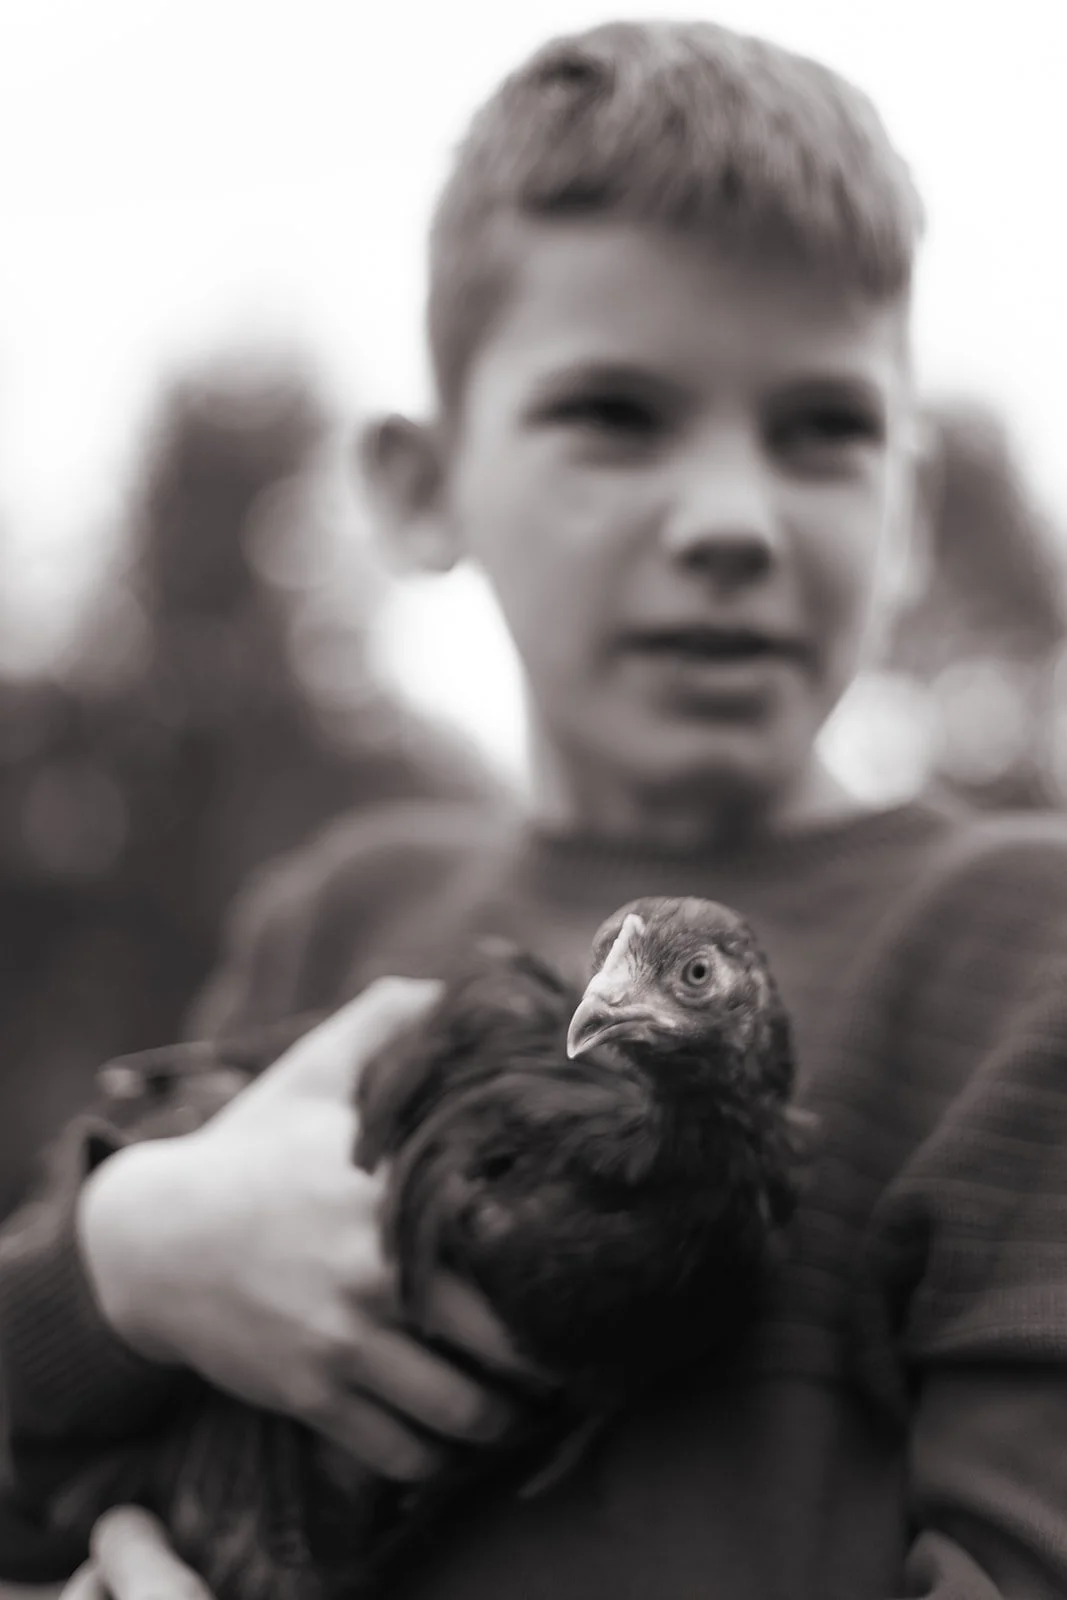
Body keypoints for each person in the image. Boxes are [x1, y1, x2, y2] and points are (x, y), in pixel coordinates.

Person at [4, 18, 1067, 1600]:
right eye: (613, 417)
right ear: (424, 487)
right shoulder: (339, 914)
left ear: (907, 511)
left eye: (821, 430)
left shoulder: (1023, 951)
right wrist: (127, 1266)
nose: (727, 520)